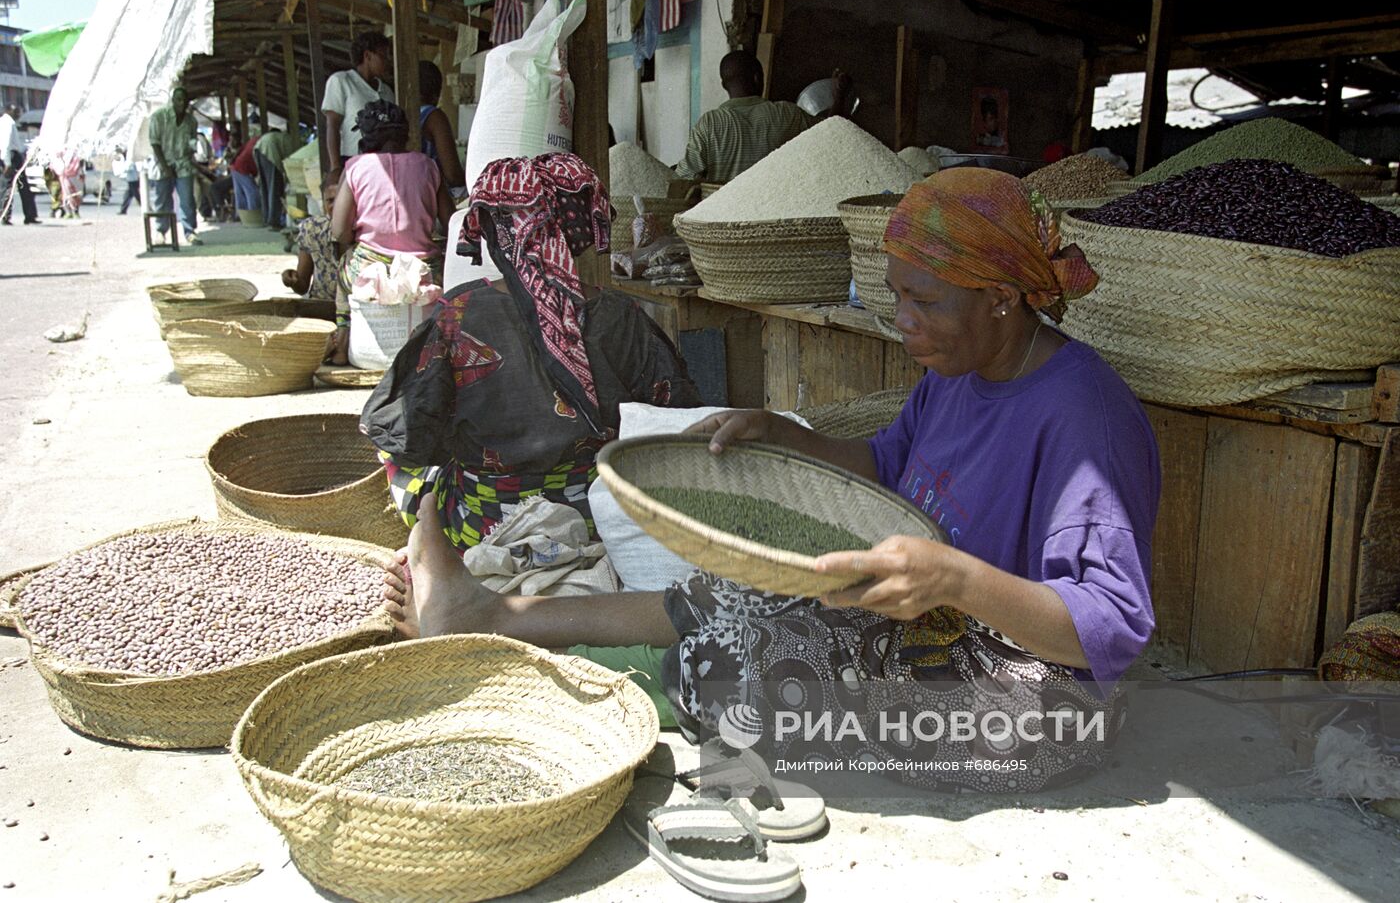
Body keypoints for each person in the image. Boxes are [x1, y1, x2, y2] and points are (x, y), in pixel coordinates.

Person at [379, 168, 1161, 793]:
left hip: (1035, 691)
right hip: (942, 625)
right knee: (733, 595)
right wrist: (789, 438)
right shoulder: (957, 370)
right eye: (895, 294)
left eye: (923, 299)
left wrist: (954, 578)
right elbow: (890, 467)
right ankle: (491, 613)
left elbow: (1109, 631)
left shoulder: (1083, 417)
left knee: (759, 668)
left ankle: (551, 674)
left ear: (1000, 299)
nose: (903, 318)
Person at [361, 151, 702, 555]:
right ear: (577, 232)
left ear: (492, 234)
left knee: (399, 461)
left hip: (484, 524)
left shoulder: (455, 316)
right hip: (597, 519)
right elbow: (675, 420)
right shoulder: (620, 315)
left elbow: (406, 432)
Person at [328, 100, 454, 364]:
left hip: (370, 267)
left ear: (365, 136)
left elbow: (339, 231)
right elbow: (450, 221)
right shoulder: (428, 165)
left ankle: (341, 341)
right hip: (425, 269)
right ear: (406, 134)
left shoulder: (355, 167)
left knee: (342, 270)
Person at [674, 51, 851, 184]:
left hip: (721, 225)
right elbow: (833, 133)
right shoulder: (786, 114)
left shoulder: (708, 124)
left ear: (723, 85)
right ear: (758, 78)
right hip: (774, 221)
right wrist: (839, 97)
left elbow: (685, 177)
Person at [322, 30, 394, 186]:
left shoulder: (386, 92)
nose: (387, 61)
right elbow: (332, 126)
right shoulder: (342, 81)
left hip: (384, 163)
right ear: (367, 56)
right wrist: (335, 167)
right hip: (352, 160)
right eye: (383, 56)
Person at [148, 85, 201, 245]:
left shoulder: (191, 121)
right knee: (162, 199)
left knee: (187, 199)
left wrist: (191, 158)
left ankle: (189, 231)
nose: (182, 103)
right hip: (162, 162)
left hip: (183, 163)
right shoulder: (159, 116)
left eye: (185, 100)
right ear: (172, 100)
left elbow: (192, 144)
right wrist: (165, 167)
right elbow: (155, 144)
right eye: (178, 99)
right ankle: (161, 232)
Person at [282, 182, 341, 300]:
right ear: (323, 204)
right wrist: (292, 280)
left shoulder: (366, 233)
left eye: (341, 199)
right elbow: (302, 286)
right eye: (330, 201)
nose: (336, 205)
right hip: (321, 306)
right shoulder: (313, 229)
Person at [417, 60, 466, 194]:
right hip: (434, 195)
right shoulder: (434, 116)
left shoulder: (402, 114)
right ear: (437, 91)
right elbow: (453, 175)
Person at [253, 127, 302, 231]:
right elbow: (292, 161)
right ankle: (274, 222)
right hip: (270, 152)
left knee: (265, 187)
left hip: (258, 150)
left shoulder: (274, 137)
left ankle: (267, 218)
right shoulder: (289, 140)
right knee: (274, 188)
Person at [1, 104, 38, 226]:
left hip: (14, 155)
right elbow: (5, 144)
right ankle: (5, 215)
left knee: (24, 188)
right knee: (7, 188)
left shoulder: (7, 122)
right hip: (11, 157)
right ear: (8, 111)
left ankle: (30, 215)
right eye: (16, 111)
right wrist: (7, 163)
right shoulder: (7, 123)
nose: (18, 114)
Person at [229, 128, 261, 219]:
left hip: (235, 165)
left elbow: (241, 150)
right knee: (252, 191)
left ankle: (240, 215)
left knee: (239, 192)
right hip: (242, 167)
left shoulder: (253, 141)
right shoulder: (259, 144)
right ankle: (253, 214)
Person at [115, 149, 141, 215]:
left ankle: (146, 208)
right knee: (127, 196)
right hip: (130, 180)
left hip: (133, 180)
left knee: (137, 196)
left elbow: (129, 168)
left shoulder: (130, 160)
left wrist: (122, 170)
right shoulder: (127, 160)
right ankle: (123, 210)